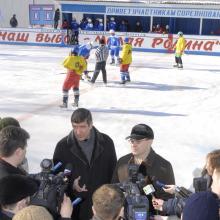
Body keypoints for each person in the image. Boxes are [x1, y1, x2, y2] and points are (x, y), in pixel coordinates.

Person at [53, 108, 117, 220]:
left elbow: (113, 174)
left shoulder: (107, 142)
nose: (78, 132)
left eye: (82, 127)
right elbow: (57, 179)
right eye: (75, 127)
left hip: (102, 207)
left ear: (91, 125)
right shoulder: (62, 146)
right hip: (75, 209)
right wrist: (72, 184)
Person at [112, 124, 175, 215]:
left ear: (150, 141)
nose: (133, 144)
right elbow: (113, 191)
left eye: (138, 141)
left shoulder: (164, 166)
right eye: (131, 140)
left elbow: (169, 201)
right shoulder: (122, 162)